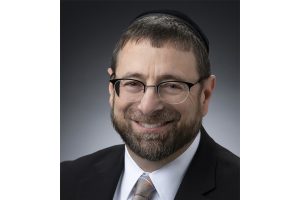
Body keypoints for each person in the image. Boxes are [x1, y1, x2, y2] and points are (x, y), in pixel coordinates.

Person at [61, 10, 239, 200]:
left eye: (172, 85)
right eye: (132, 83)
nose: (148, 106)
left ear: (205, 95)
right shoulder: (64, 182)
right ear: (112, 90)